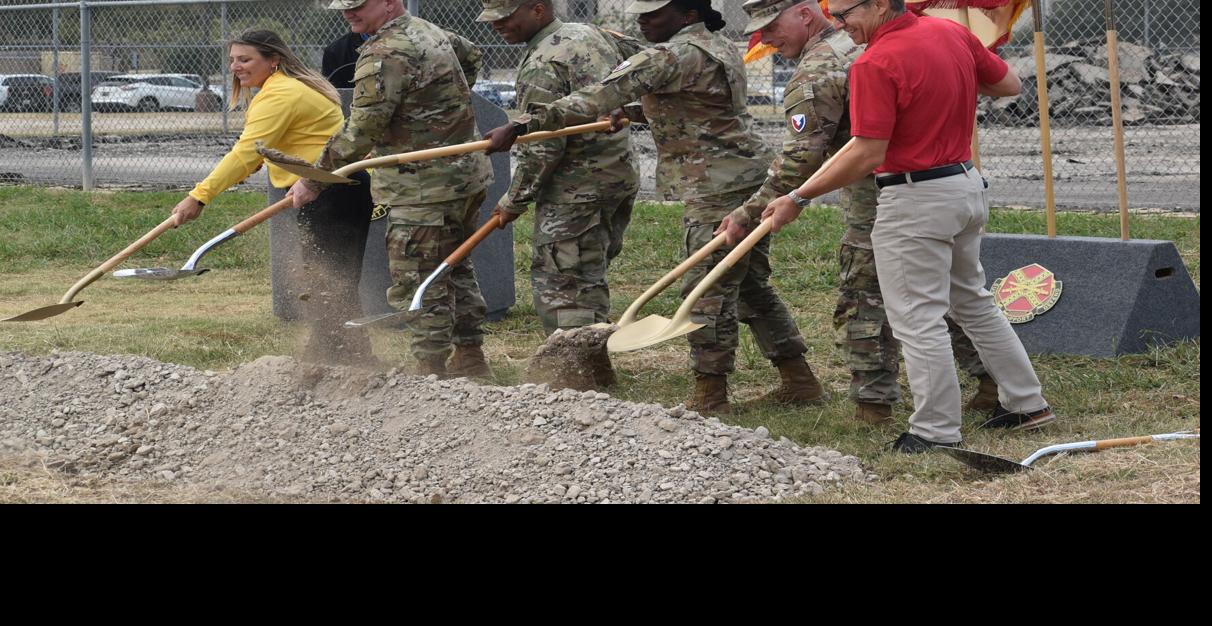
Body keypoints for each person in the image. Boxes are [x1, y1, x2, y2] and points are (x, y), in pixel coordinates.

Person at [487, 0, 823, 415]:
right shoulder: (713, 45)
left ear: (686, 14)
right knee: (750, 286)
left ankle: (710, 396)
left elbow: (598, 94)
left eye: (653, 14)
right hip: (742, 177)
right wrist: (630, 112)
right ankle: (799, 379)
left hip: (715, 188)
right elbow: (693, 105)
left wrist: (523, 124)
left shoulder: (673, 54)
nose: (642, 21)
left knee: (706, 294)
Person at [761, 0, 1052, 452]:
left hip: (915, 198)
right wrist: (942, 88)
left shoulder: (875, 61)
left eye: (844, 14)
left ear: (879, 4)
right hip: (964, 185)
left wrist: (798, 197)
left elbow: (867, 152)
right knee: (973, 302)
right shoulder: (949, 33)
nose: (838, 25)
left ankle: (935, 432)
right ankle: (1026, 404)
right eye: (834, 16)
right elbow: (1009, 84)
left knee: (918, 320)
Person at [719, 0, 995, 426]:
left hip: (884, 198)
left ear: (805, 15)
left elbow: (800, 158)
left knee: (864, 296)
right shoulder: (861, 43)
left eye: (772, 27)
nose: (765, 39)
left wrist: (749, 211)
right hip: (939, 182)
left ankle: (875, 406)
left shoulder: (818, 70)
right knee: (939, 291)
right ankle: (994, 380)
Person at [289, 0, 493, 379]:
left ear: (389, 2)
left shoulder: (382, 52)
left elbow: (362, 130)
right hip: (464, 178)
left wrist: (312, 179)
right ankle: (470, 357)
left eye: (357, 5)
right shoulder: (432, 32)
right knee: (455, 267)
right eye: (343, 7)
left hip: (419, 188)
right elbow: (471, 58)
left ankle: (430, 371)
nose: (347, 13)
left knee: (420, 279)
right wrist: (438, 110)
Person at [167, 31, 372, 364]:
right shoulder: (283, 88)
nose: (235, 66)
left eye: (245, 59)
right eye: (232, 59)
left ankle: (340, 358)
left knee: (330, 282)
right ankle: (339, 354)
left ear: (273, 59)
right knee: (329, 280)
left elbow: (245, 153)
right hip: (327, 189)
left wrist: (199, 197)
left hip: (330, 191)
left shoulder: (280, 94)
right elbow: (274, 145)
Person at [480, 0, 638, 349]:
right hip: (618, 175)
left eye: (505, 18)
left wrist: (513, 200)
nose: (497, 26)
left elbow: (543, 147)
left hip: (576, 190)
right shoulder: (593, 34)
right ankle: (595, 361)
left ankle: (575, 371)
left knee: (564, 284)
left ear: (538, 10)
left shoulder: (542, 63)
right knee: (588, 274)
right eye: (492, 19)